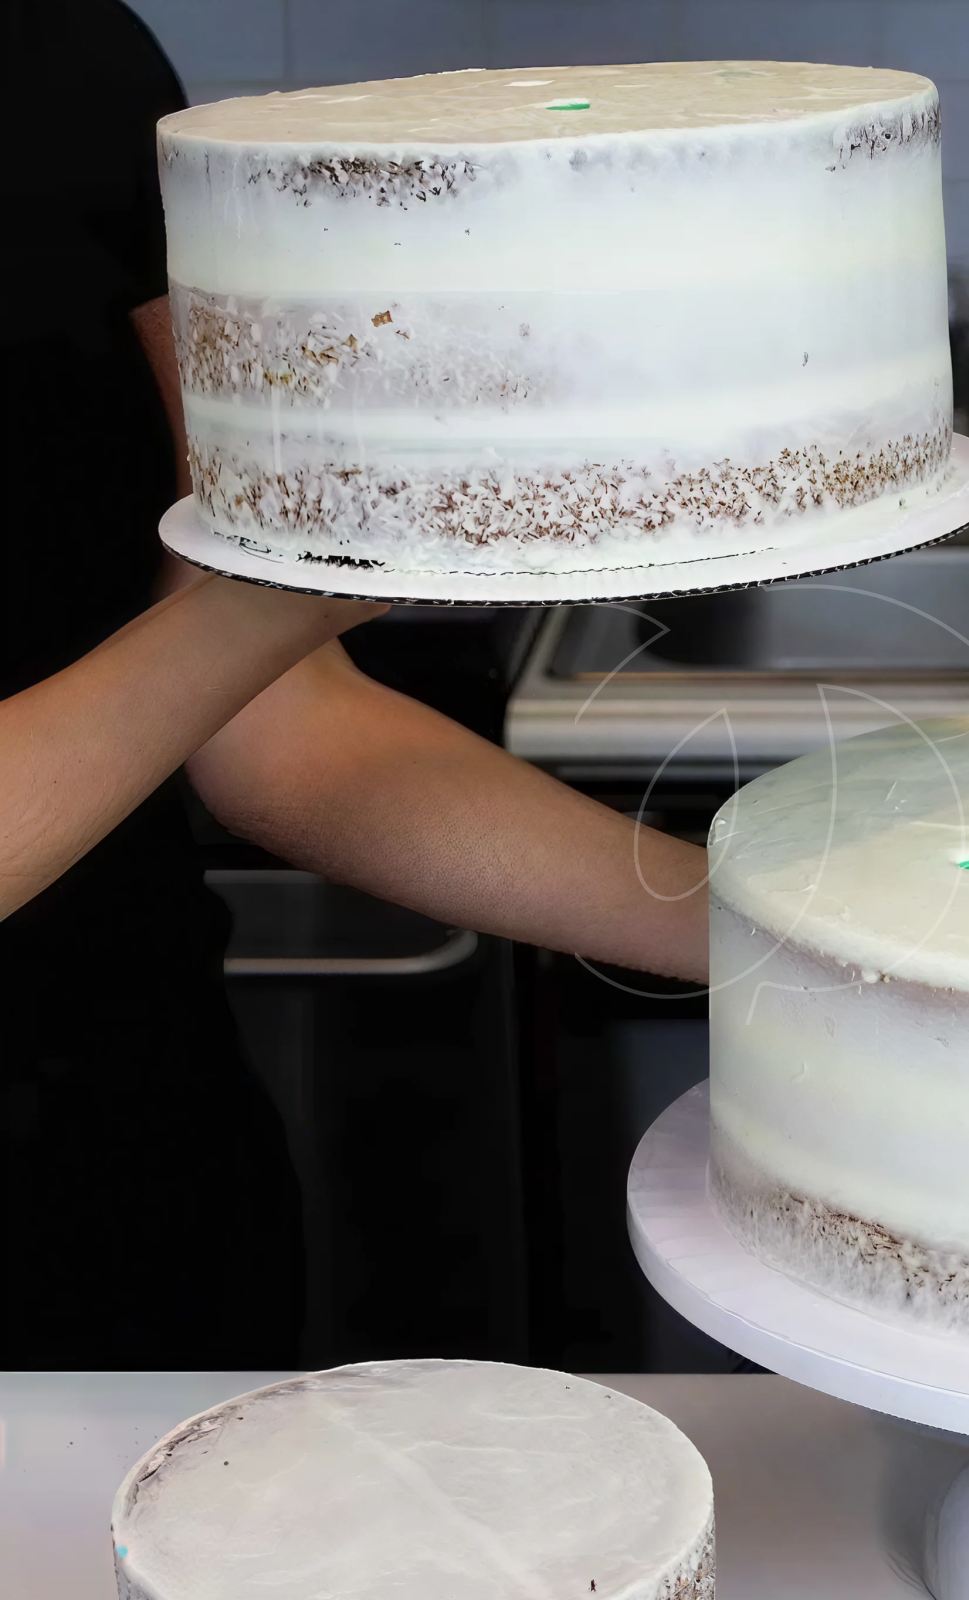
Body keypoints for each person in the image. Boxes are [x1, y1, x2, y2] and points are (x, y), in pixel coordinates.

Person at [2, 1, 708, 1368]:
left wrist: (769, 945)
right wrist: (289, 585)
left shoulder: (67, 59)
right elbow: (233, 636)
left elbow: (281, 724)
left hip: (138, 1156)